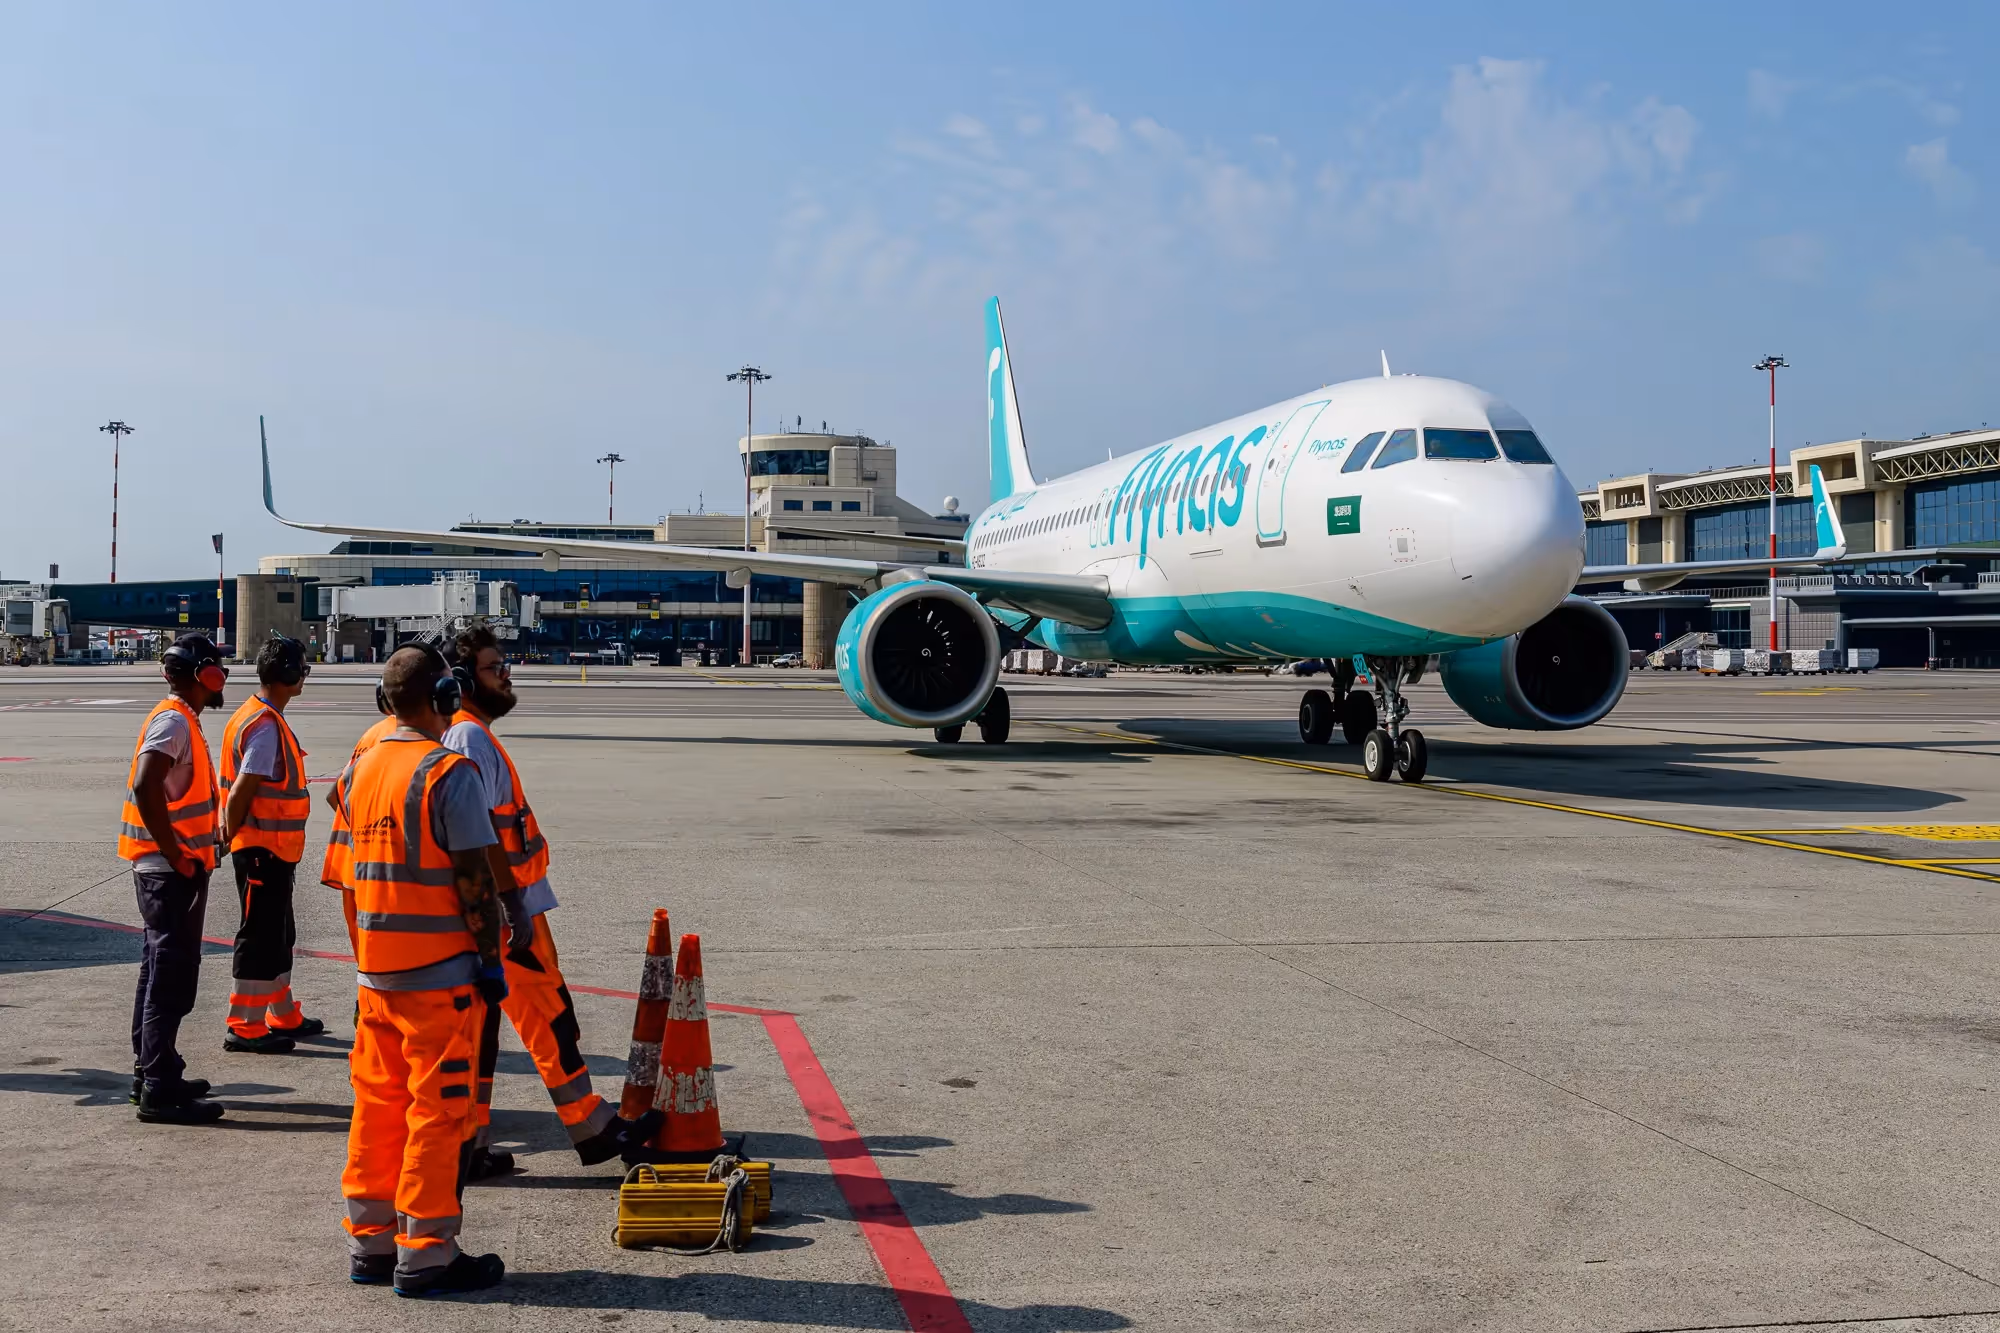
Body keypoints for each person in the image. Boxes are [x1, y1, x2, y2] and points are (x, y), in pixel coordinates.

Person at [445, 625, 659, 1177]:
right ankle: (590, 1125)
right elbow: (479, 832)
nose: (506, 675)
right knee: (549, 1015)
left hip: (503, 905)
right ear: (464, 680)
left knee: (485, 1029)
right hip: (505, 911)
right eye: (495, 668)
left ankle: (471, 1140)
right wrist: (511, 904)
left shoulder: (473, 735)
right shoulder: (468, 738)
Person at [339, 646, 506, 1297]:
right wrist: (490, 958)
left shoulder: (361, 766)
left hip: (376, 973)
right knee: (438, 1113)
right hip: (439, 978)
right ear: (445, 698)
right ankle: (428, 1253)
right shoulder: (447, 773)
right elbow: (474, 880)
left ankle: (372, 1243)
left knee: (377, 1110)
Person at [118, 633, 229, 1125]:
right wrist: (176, 854)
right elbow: (146, 784)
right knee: (170, 978)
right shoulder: (174, 721)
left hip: (169, 868)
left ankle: (152, 1070)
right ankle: (158, 1089)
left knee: (158, 970)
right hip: (168, 872)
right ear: (206, 675)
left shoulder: (182, 718)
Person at [218, 636, 323, 1053]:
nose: (305, 676)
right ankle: (245, 1024)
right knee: (260, 934)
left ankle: (281, 1012)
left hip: (275, 848)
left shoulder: (260, 715)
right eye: (303, 669)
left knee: (280, 932)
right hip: (261, 847)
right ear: (290, 674)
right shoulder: (264, 726)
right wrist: (229, 836)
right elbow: (242, 790)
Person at [320, 683, 399, 955]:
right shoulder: (407, 737)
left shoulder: (373, 733)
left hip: (353, 867)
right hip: (383, 874)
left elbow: (335, 795)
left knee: (367, 961)